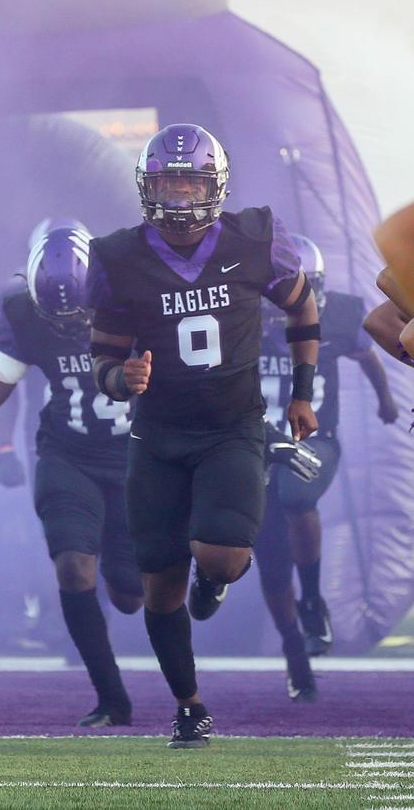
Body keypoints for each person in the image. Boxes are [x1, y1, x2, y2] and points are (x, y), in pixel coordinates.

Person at [87, 124, 318, 748]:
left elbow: (302, 307)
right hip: (157, 436)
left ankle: (212, 580)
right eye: (168, 181)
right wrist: (120, 375)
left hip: (231, 429)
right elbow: (101, 359)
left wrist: (302, 390)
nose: (181, 195)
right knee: (158, 588)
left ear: (214, 185)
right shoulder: (115, 257)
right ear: (147, 187)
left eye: (191, 180)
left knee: (221, 555)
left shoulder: (255, 238)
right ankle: (189, 705)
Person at [0, 221, 141, 727]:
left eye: (79, 314)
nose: (67, 324)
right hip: (67, 453)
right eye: (55, 315)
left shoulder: (133, 303)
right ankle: (111, 695)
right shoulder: (23, 315)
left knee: (130, 595)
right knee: (72, 566)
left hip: (133, 457)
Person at [254, 233, 398, 698]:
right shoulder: (246, 316)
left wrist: (387, 402)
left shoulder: (337, 314)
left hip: (316, 440)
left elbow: (368, 357)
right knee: (269, 561)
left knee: (297, 492)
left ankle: (313, 600)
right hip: (257, 447)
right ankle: (297, 657)